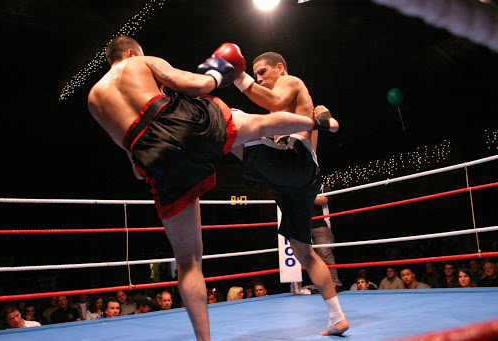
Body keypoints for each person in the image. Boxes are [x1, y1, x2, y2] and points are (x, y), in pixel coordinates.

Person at [87, 36, 333, 341]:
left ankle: (204, 340)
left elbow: (132, 160)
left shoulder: (94, 99)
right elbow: (192, 85)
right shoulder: (139, 61)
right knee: (255, 124)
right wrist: (216, 72)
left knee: (188, 261)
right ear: (129, 52)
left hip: (147, 153)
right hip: (174, 119)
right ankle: (315, 122)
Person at [229, 48, 347, 336]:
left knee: (230, 117)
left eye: (262, 72)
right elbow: (327, 127)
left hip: (295, 162)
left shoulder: (291, 82)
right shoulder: (289, 113)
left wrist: (239, 77)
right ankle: (337, 317)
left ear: (280, 68)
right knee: (303, 251)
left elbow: (324, 124)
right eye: (255, 74)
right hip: (297, 181)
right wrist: (324, 120)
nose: (260, 79)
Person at [310, 184, 343, 291]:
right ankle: (320, 284)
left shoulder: (323, 186)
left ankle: (335, 283)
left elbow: (323, 200)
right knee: (312, 258)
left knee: (324, 253)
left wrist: (305, 196)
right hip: (305, 226)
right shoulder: (301, 185)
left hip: (321, 225)